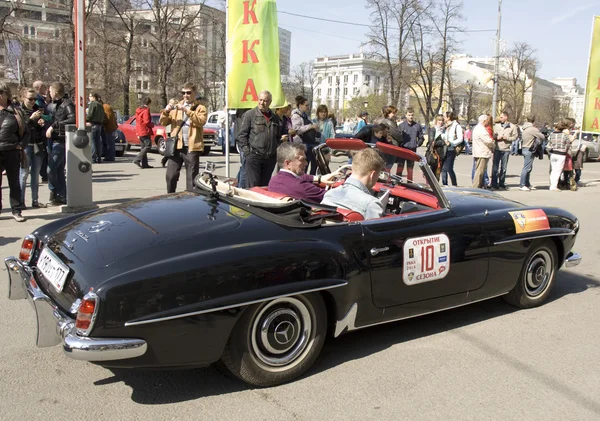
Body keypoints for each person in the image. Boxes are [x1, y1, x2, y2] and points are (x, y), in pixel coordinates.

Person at [160, 83, 207, 193]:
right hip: (176, 147)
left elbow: (201, 122)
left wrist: (187, 111)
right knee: (170, 176)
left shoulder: (200, 108)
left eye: (188, 92)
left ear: (194, 93)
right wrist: (166, 111)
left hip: (191, 147)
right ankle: (170, 198)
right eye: (183, 93)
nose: (185, 95)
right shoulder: (176, 107)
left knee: (191, 179)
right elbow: (163, 122)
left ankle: (190, 201)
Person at [321, 148, 386, 219]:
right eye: (378, 175)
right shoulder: (372, 205)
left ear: (353, 168)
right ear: (372, 175)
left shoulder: (329, 194)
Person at [268, 142, 339, 202]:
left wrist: (320, 178)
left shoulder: (273, 181)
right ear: (288, 163)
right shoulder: (302, 187)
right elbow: (335, 198)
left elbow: (303, 176)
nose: (306, 163)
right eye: (302, 160)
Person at [0, 83, 30, 221]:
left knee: (14, 182)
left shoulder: (16, 112)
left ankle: (16, 210)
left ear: (7, 94)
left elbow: (26, 133)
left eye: (1, 92)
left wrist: (20, 145)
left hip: (11, 150)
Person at [46, 82, 75, 206]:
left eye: (50, 91)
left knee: (51, 169)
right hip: (56, 139)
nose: (49, 94)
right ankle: (61, 196)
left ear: (55, 92)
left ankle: (55, 192)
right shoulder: (58, 104)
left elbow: (73, 118)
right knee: (57, 170)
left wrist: (54, 126)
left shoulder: (66, 103)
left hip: (61, 140)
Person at [19, 88, 46, 209]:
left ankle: (35, 200)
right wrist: (31, 119)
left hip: (38, 144)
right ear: (23, 98)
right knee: (24, 174)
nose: (32, 101)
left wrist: (41, 123)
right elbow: (21, 128)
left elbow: (41, 126)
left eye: (34, 99)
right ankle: (21, 201)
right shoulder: (19, 111)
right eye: (30, 99)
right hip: (26, 146)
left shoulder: (37, 110)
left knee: (35, 175)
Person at [291, 95, 320, 175]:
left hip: (310, 143)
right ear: (300, 105)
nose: (308, 107)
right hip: (301, 143)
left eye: (308, 105)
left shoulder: (306, 115)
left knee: (313, 164)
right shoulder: (296, 116)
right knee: (303, 166)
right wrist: (310, 126)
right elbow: (297, 130)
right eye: (306, 105)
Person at [491, 111, 518, 190]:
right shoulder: (497, 126)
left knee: (504, 167)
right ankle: (494, 184)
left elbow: (515, 137)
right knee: (495, 167)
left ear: (506, 117)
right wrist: (496, 137)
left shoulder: (512, 127)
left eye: (502, 117)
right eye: (500, 117)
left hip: (506, 149)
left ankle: (501, 183)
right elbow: (492, 135)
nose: (500, 118)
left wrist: (507, 138)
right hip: (497, 148)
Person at [519, 115, 545, 191]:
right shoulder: (532, 129)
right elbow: (542, 137)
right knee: (527, 168)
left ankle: (527, 184)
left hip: (525, 147)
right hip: (529, 148)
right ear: (533, 121)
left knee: (528, 167)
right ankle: (522, 184)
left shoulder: (525, 127)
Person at [32, 80, 50, 183]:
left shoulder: (41, 99)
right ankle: (44, 174)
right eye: (44, 87)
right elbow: (40, 113)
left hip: (44, 129)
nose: (46, 89)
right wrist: (50, 117)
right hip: (41, 130)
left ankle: (44, 174)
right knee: (43, 154)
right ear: (39, 88)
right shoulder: (37, 100)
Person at [471, 114, 495, 189]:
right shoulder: (481, 129)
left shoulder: (477, 128)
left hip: (479, 151)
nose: (488, 121)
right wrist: (493, 144)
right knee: (480, 172)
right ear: (484, 121)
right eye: (487, 120)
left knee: (479, 171)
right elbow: (489, 141)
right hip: (482, 153)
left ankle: (479, 186)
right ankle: (475, 187)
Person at [547, 120, 571, 191]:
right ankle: (554, 186)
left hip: (553, 153)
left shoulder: (552, 134)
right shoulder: (564, 135)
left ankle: (552, 185)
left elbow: (549, 144)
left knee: (553, 170)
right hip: (561, 154)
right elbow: (568, 144)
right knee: (558, 171)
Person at [441, 111, 463, 186]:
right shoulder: (444, 126)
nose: (443, 118)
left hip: (451, 149)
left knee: (449, 168)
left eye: (444, 117)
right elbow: (443, 135)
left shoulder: (456, 126)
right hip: (444, 149)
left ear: (448, 117)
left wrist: (451, 143)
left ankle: (454, 185)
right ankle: (445, 185)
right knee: (443, 169)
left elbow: (460, 139)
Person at [134, 96, 154, 168]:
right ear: (149, 103)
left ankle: (144, 164)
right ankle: (137, 159)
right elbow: (146, 121)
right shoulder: (146, 110)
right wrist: (152, 125)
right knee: (148, 146)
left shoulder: (139, 110)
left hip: (139, 130)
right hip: (145, 130)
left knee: (143, 147)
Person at [86, 92, 105, 163]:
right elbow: (103, 115)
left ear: (94, 97)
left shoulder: (93, 104)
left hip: (92, 124)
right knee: (98, 142)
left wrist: (85, 119)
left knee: (92, 141)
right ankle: (99, 157)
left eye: (90, 96)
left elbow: (90, 114)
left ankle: (93, 158)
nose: (89, 98)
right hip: (99, 125)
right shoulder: (100, 105)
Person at [427, 116, 446, 180]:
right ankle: (430, 186)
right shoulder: (433, 129)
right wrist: (443, 142)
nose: (441, 122)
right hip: (434, 153)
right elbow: (432, 142)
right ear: (436, 121)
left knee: (438, 172)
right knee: (433, 170)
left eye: (442, 120)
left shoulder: (444, 130)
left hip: (441, 153)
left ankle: (436, 185)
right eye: (439, 120)